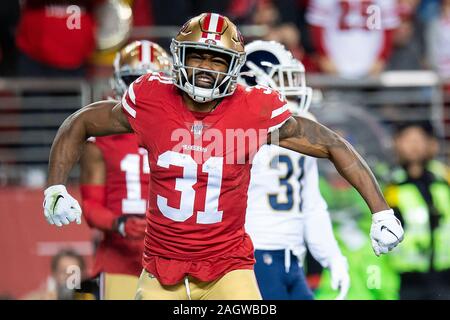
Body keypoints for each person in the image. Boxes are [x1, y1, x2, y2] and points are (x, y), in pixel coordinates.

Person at [42, 12, 403, 300]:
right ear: (178, 58)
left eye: (216, 59)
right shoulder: (152, 99)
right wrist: (55, 187)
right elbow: (80, 122)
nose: (204, 68)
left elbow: (331, 144)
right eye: (196, 55)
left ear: (233, 66)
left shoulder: (253, 108)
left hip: (228, 269)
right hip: (160, 269)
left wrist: (380, 210)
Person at [240, 40, 349, 300]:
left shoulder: (303, 126)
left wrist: (331, 255)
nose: (292, 94)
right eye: (282, 84)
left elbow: (311, 203)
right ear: (253, 85)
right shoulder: (237, 134)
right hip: (253, 256)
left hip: (292, 258)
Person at [79, 40, 172, 300]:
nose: (142, 90)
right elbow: (90, 207)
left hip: (169, 256)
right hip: (119, 257)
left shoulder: (182, 134)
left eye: (152, 81)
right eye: (134, 80)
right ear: (120, 83)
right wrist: (119, 224)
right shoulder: (101, 139)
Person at [384, 122, 450, 300]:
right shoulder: (387, 183)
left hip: (445, 275)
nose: (413, 145)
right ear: (396, 143)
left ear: (431, 144)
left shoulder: (444, 177)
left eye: (419, 139)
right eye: (408, 139)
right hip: (405, 278)